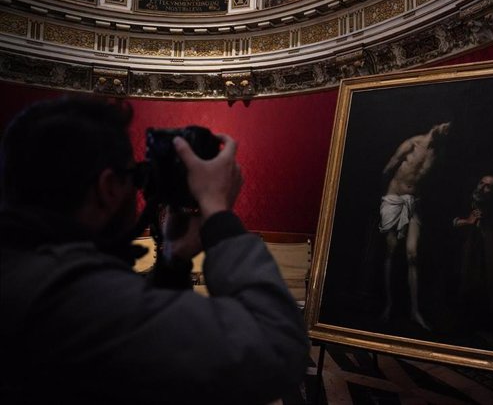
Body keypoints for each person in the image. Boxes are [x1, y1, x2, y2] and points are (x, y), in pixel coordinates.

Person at [0, 97, 310, 404]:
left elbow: (141, 349)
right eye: (130, 178)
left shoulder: (26, 266)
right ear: (108, 187)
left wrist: (173, 260)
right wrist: (218, 213)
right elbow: (276, 347)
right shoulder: (67, 297)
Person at [379, 121, 451, 330]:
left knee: (413, 254)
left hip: (413, 202)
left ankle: (414, 311)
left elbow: (431, 182)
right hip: (393, 197)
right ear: (436, 123)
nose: (446, 129)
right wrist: (384, 199)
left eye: (450, 127)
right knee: (392, 251)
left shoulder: (439, 154)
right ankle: (389, 305)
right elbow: (388, 168)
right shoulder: (412, 144)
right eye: (445, 124)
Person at [450, 175, 493, 335]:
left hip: (488, 250)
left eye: (487, 186)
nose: (481, 188)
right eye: (481, 183)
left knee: (491, 279)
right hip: (466, 250)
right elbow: (451, 221)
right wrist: (467, 221)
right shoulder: (466, 200)